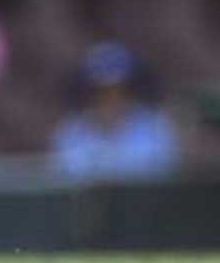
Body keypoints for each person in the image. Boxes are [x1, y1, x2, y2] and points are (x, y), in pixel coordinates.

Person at [50, 42, 180, 181]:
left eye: (120, 91)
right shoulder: (71, 133)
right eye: (103, 93)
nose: (112, 99)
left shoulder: (155, 127)